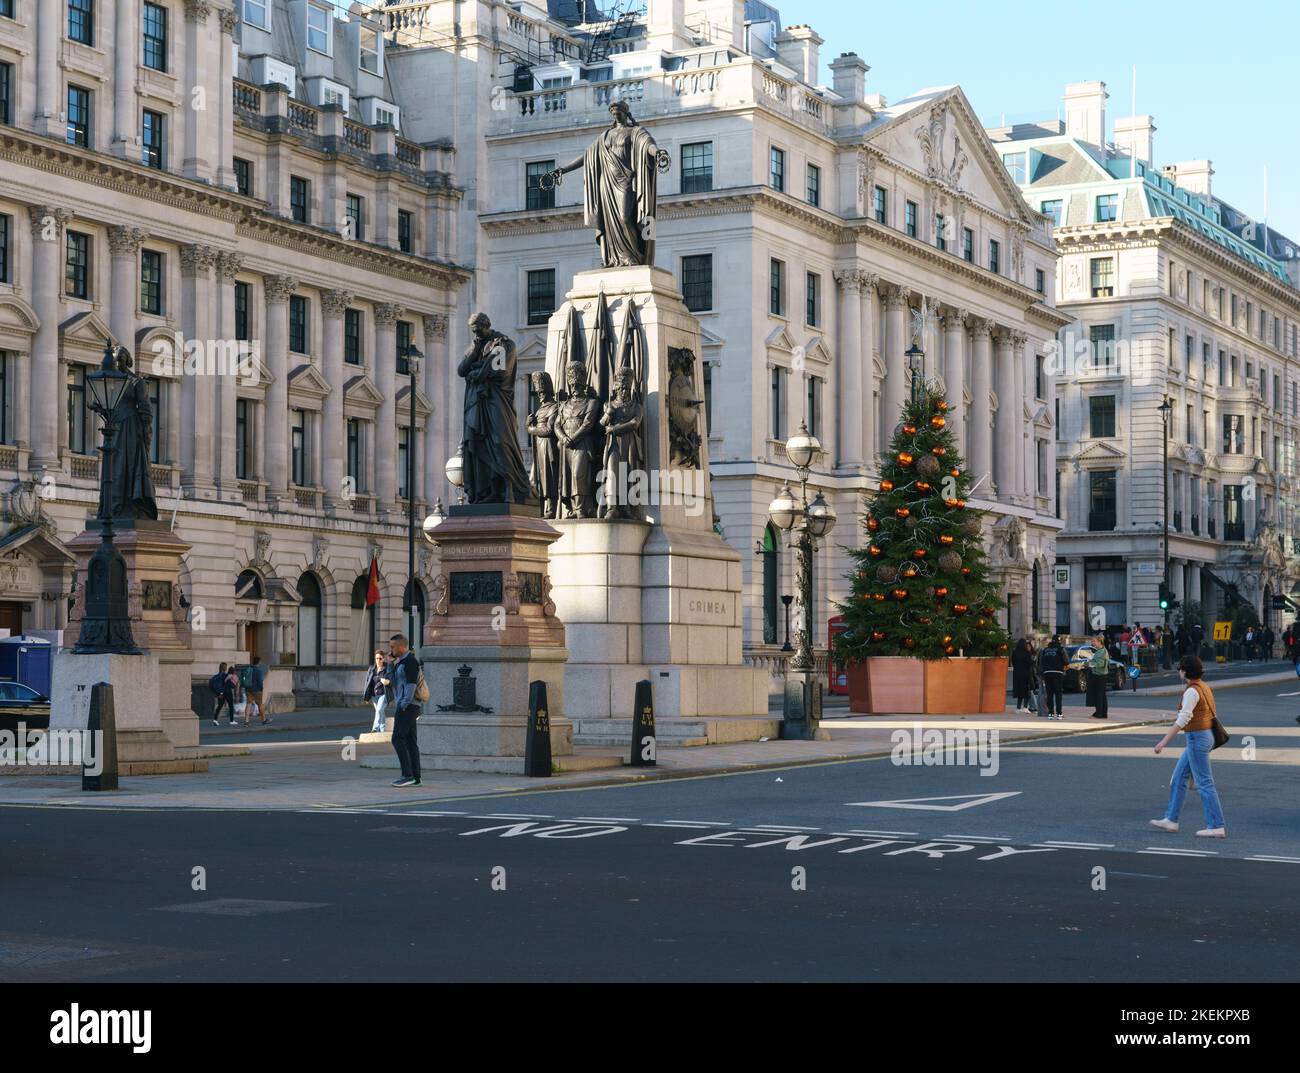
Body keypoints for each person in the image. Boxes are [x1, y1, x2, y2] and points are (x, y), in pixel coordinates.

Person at [1150, 655, 1227, 838]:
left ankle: (1216, 825)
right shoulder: (1203, 686)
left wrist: (1163, 741)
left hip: (1197, 739)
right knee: (1179, 778)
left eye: (1180, 668)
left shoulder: (1192, 691)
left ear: (1184, 671)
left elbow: (1183, 719)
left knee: (1205, 783)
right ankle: (1171, 820)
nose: (1179, 671)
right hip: (1204, 736)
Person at [387, 634, 423, 788]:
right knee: (410, 742)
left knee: (397, 738)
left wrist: (403, 704)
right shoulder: (400, 662)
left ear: (402, 647)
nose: (391, 649)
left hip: (408, 706)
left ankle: (407, 774)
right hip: (407, 705)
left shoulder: (410, 662)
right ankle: (416, 777)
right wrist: (390, 665)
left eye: (393, 647)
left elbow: (411, 686)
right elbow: (393, 683)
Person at [363, 651, 394, 734]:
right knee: (380, 712)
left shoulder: (387, 668)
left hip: (383, 694)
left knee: (379, 710)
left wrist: (388, 681)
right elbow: (367, 683)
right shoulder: (372, 669)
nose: (378, 660)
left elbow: (393, 680)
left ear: (383, 659)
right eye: (377, 658)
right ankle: (382, 729)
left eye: (380, 658)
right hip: (374, 695)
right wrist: (366, 697)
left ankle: (375, 728)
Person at [1038, 635, 1066, 720]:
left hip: (1047, 674)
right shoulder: (1061, 649)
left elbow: (1041, 662)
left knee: (1049, 694)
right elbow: (1066, 661)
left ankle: (1050, 713)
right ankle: (1059, 714)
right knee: (1058, 694)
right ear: (1059, 641)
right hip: (1058, 673)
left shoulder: (1045, 650)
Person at [241, 656, 270, 726]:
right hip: (257, 690)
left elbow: (243, 677)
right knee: (260, 704)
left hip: (248, 689)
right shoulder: (258, 670)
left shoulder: (248, 669)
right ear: (259, 662)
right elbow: (260, 681)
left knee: (248, 704)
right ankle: (263, 720)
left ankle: (246, 721)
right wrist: (261, 688)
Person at [1086, 636, 1109, 719]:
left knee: (1099, 695)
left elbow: (1100, 664)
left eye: (1094, 641)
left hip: (1099, 675)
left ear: (1100, 642)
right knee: (1102, 695)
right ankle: (1103, 713)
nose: (1092, 643)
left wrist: (1089, 664)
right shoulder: (1100, 651)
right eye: (1092, 641)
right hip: (1100, 675)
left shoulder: (1101, 652)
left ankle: (1099, 713)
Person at [210, 662, 238, 726]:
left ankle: (215, 719)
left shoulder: (218, 675)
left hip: (221, 693)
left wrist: (220, 693)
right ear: (224, 668)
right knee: (231, 706)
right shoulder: (225, 675)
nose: (226, 668)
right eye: (225, 666)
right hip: (227, 692)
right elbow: (230, 685)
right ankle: (231, 720)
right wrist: (234, 683)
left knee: (219, 706)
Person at [1011, 638, 1034, 713]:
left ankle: (1018, 708)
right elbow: (1030, 663)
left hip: (1017, 673)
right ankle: (1025, 707)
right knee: (1026, 690)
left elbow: (1013, 662)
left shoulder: (1014, 652)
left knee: (1019, 691)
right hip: (1025, 674)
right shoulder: (1026, 653)